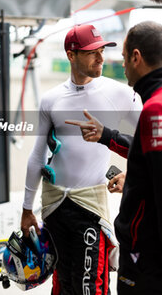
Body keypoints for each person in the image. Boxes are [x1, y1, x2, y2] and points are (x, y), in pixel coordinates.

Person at [20, 24, 141, 295]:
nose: (100, 58)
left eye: (101, 51)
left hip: (90, 209)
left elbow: (151, 144)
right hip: (54, 206)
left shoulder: (119, 93)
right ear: (71, 55)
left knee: (89, 287)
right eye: (91, 53)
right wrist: (27, 209)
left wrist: (132, 174)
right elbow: (37, 155)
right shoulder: (51, 100)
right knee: (61, 283)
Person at [65, 21, 162, 294]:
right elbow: (151, 159)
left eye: (121, 57)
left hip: (146, 257)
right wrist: (108, 136)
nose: (119, 64)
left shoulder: (155, 108)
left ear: (136, 57)